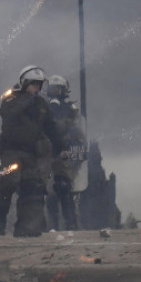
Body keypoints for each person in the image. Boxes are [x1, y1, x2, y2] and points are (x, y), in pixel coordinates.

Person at [0, 65, 63, 237]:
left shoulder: (41, 104)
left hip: (32, 154)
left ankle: (27, 228)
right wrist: (27, 99)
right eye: (33, 84)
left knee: (33, 187)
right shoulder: (11, 99)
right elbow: (9, 113)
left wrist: (60, 147)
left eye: (39, 85)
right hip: (12, 152)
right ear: (25, 83)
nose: (36, 88)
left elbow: (50, 127)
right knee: (8, 185)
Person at [44, 75, 87, 231]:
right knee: (48, 193)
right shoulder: (45, 107)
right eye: (52, 89)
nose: (54, 92)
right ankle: (51, 226)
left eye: (57, 89)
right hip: (49, 153)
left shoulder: (71, 108)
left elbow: (72, 128)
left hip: (65, 153)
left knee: (63, 188)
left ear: (63, 90)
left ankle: (71, 224)